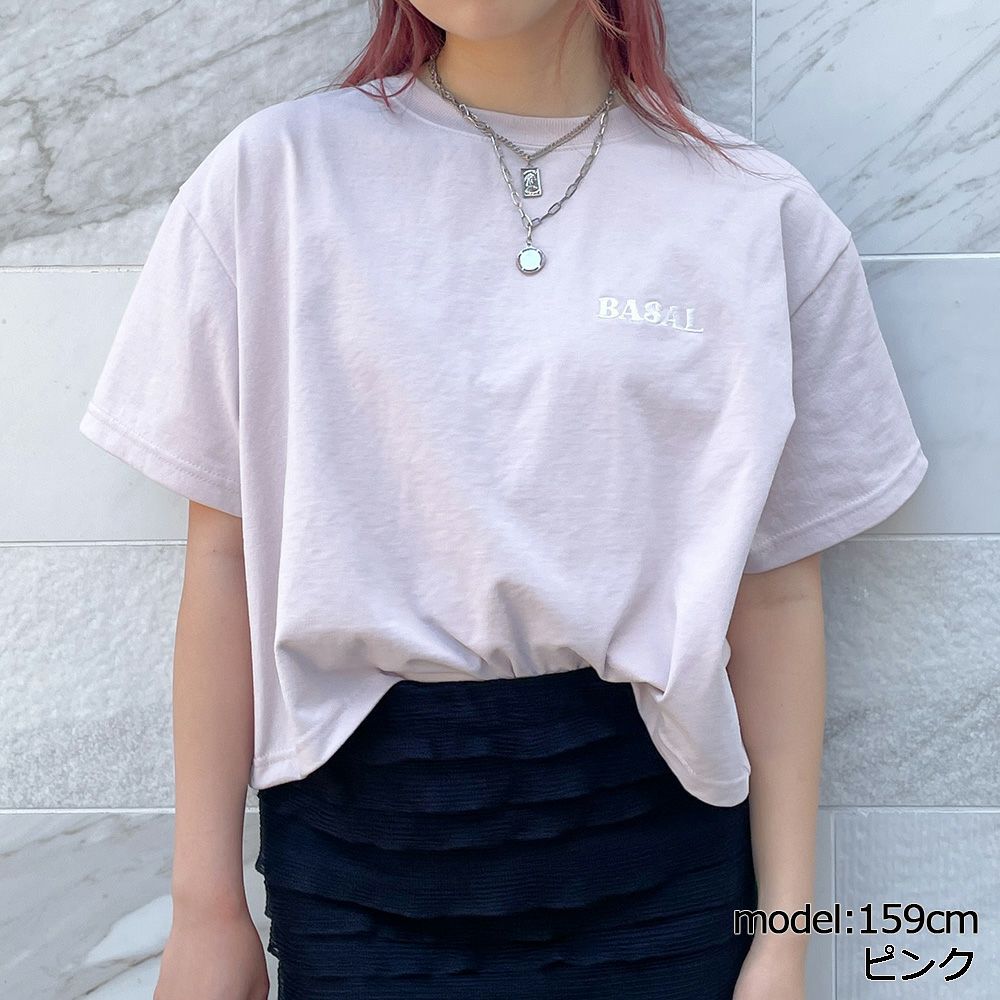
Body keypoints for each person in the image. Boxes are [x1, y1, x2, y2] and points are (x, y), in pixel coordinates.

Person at [79, 2, 929, 999]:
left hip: (656, 846)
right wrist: (203, 906)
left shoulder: (753, 214)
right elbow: (225, 558)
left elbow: (777, 596)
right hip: (359, 851)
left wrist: (783, 941)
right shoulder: (278, 176)